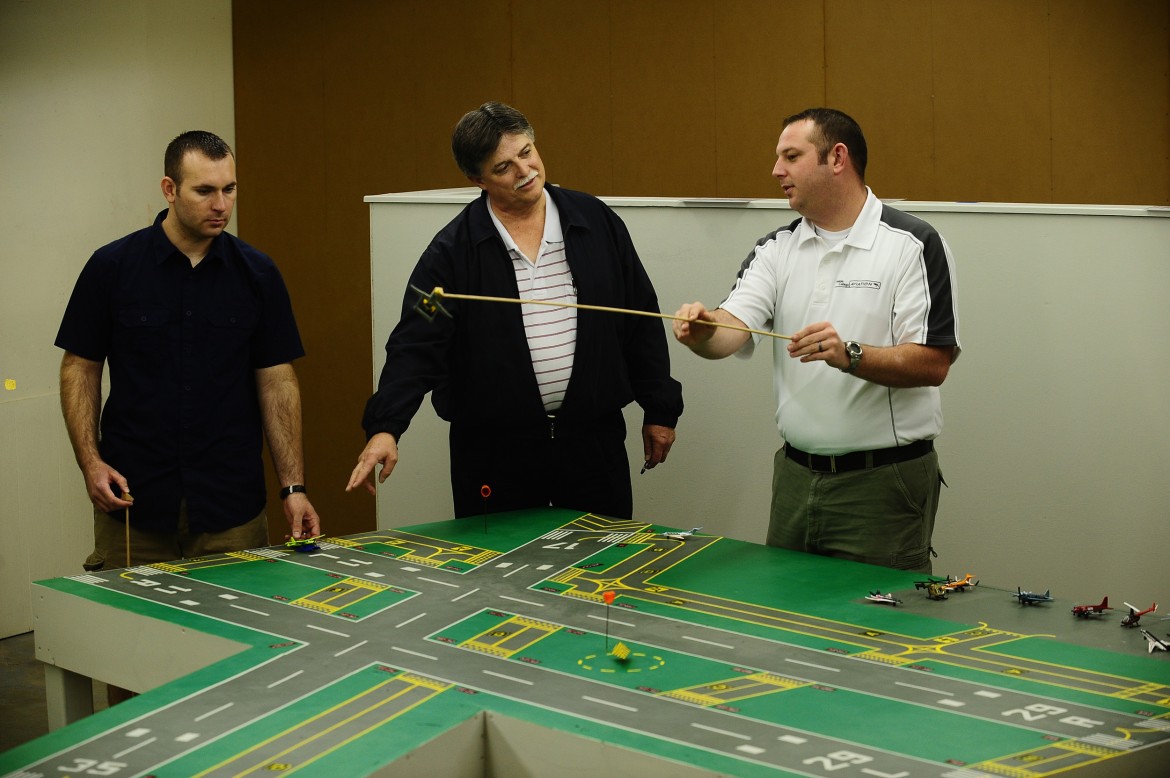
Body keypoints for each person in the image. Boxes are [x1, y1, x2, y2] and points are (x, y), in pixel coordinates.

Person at [348, 102, 683, 518]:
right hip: (494, 454)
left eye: (526, 152)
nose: (524, 171)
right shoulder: (450, 254)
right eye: (503, 167)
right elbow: (415, 347)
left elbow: (641, 319)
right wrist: (386, 427)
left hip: (593, 443)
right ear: (477, 180)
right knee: (499, 580)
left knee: (599, 574)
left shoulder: (596, 222)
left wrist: (660, 409)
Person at [673, 108, 960, 572]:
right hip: (794, 478)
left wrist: (850, 355)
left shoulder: (913, 244)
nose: (776, 171)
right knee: (787, 621)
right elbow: (731, 329)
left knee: (878, 632)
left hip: (882, 483)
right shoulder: (776, 249)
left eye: (791, 156)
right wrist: (702, 330)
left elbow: (933, 363)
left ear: (837, 158)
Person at [57, 130, 321, 574]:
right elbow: (79, 368)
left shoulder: (258, 274)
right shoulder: (112, 267)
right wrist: (90, 462)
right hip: (132, 504)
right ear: (169, 189)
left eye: (229, 189)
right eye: (205, 191)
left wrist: (293, 487)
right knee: (131, 634)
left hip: (230, 506)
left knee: (235, 633)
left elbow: (277, 381)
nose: (221, 205)